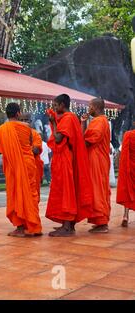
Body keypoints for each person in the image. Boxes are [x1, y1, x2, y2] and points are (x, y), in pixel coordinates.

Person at [46, 94, 94, 237]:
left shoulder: (68, 118)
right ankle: (68, 224)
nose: (54, 108)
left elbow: (59, 138)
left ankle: (67, 226)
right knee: (66, 189)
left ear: (62, 105)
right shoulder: (71, 118)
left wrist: (54, 122)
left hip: (65, 159)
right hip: (65, 158)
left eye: (55, 105)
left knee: (66, 190)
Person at [0, 104, 42, 237]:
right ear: (18, 113)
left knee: (16, 194)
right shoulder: (27, 128)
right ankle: (34, 226)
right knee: (30, 193)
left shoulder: (1, 130)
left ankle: (20, 227)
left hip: (12, 166)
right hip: (28, 164)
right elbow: (31, 145)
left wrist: (11, 150)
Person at [81, 98, 111, 233]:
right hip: (94, 159)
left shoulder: (100, 121)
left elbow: (88, 141)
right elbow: (85, 138)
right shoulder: (97, 121)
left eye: (90, 106)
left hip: (97, 160)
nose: (89, 109)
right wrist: (83, 123)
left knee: (98, 189)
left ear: (95, 107)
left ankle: (102, 223)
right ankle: (98, 221)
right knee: (95, 189)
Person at [20, 112, 44, 200]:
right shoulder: (16, 134)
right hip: (20, 168)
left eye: (26, 120)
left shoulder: (35, 134)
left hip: (33, 169)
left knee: (34, 196)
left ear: (31, 121)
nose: (24, 122)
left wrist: (24, 145)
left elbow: (36, 150)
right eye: (21, 120)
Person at [117, 122, 135, 227]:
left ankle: (125, 215)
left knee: (128, 191)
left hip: (130, 168)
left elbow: (122, 153)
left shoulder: (128, 135)